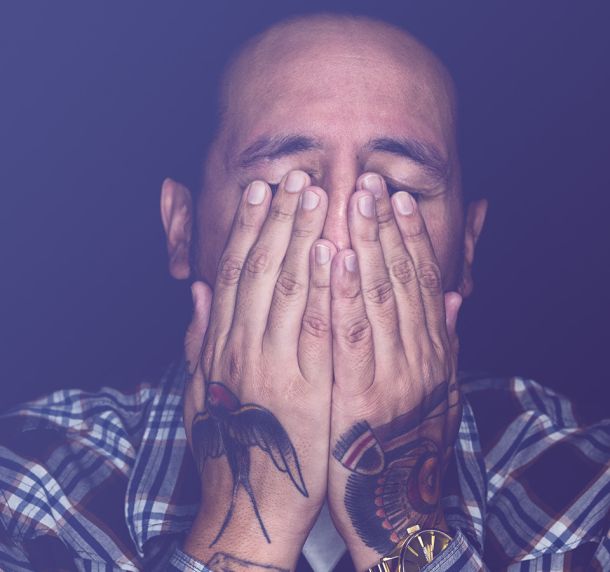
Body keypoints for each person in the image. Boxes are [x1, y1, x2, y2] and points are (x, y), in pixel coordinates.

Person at [1, 13, 608, 572]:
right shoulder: (26, 493)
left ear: (467, 247)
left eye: (398, 191)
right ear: (181, 228)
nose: (339, 241)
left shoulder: (587, 490)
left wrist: (402, 525)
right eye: (284, 186)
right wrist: (246, 526)